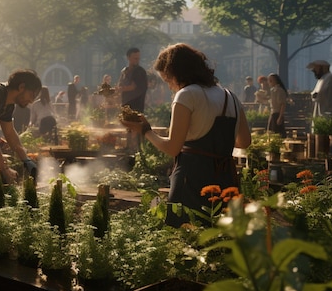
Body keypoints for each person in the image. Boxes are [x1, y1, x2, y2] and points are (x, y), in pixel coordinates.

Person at [120, 43, 251, 228]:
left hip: (192, 179)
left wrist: (145, 130)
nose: (170, 86)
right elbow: (244, 142)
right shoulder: (230, 96)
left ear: (176, 74)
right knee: (222, 238)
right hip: (225, 179)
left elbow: (173, 148)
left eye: (167, 80)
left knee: (185, 236)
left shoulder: (187, 95)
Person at [117, 47, 148, 113]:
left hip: (136, 105)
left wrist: (120, 89)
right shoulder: (124, 71)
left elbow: (132, 87)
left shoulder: (139, 71)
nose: (137, 60)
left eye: (138, 58)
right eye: (135, 58)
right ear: (128, 57)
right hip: (125, 104)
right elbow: (120, 84)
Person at [267, 73, 287, 138]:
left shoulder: (279, 90)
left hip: (277, 114)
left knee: (277, 133)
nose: (269, 83)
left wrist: (280, 117)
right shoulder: (273, 90)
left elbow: (282, 104)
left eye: (271, 81)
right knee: (271, 132)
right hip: (273, 113)